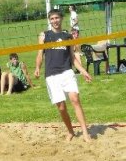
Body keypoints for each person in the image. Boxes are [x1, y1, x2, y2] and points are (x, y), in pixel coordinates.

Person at [34, 9, 92, 141]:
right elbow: (39, 54)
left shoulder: (68, 36)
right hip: (51, 75)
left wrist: (83, 71)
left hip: (67, 72)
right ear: (50, 20)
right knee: (61, 107)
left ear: (61, 19)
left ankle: (85, 133)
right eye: (52, 18)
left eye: (57, 18)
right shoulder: (44, 35)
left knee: (75, 99)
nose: (55, 21)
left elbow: (73, 58)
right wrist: (37, 67)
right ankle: (70, 131)